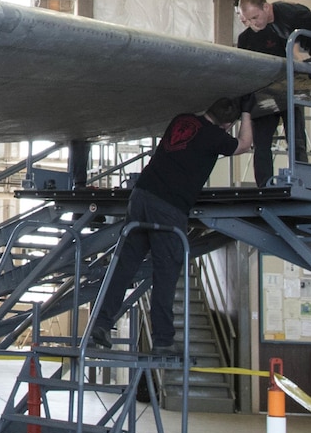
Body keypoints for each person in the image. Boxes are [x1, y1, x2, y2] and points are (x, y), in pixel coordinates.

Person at [90, 97, 254, 352]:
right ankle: (164, 341)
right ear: (227, 125)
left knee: (125, 265)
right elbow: (244, 145)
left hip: (141, 197)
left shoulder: (182, 119)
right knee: (166, 274)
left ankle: (101, 324)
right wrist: (246, 113)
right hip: (168, 208)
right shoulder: (216, 137)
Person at [235, 0, 311, 186]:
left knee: (297, 140)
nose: (254, 23)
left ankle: (303, 182)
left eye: (255, 17)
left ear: (266, 9)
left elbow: (300, 48)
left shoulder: (283, 25)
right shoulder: (245, 39)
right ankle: (264, 185)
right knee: (262, 143)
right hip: (264, 97)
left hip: (289, 92)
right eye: (248, 20)